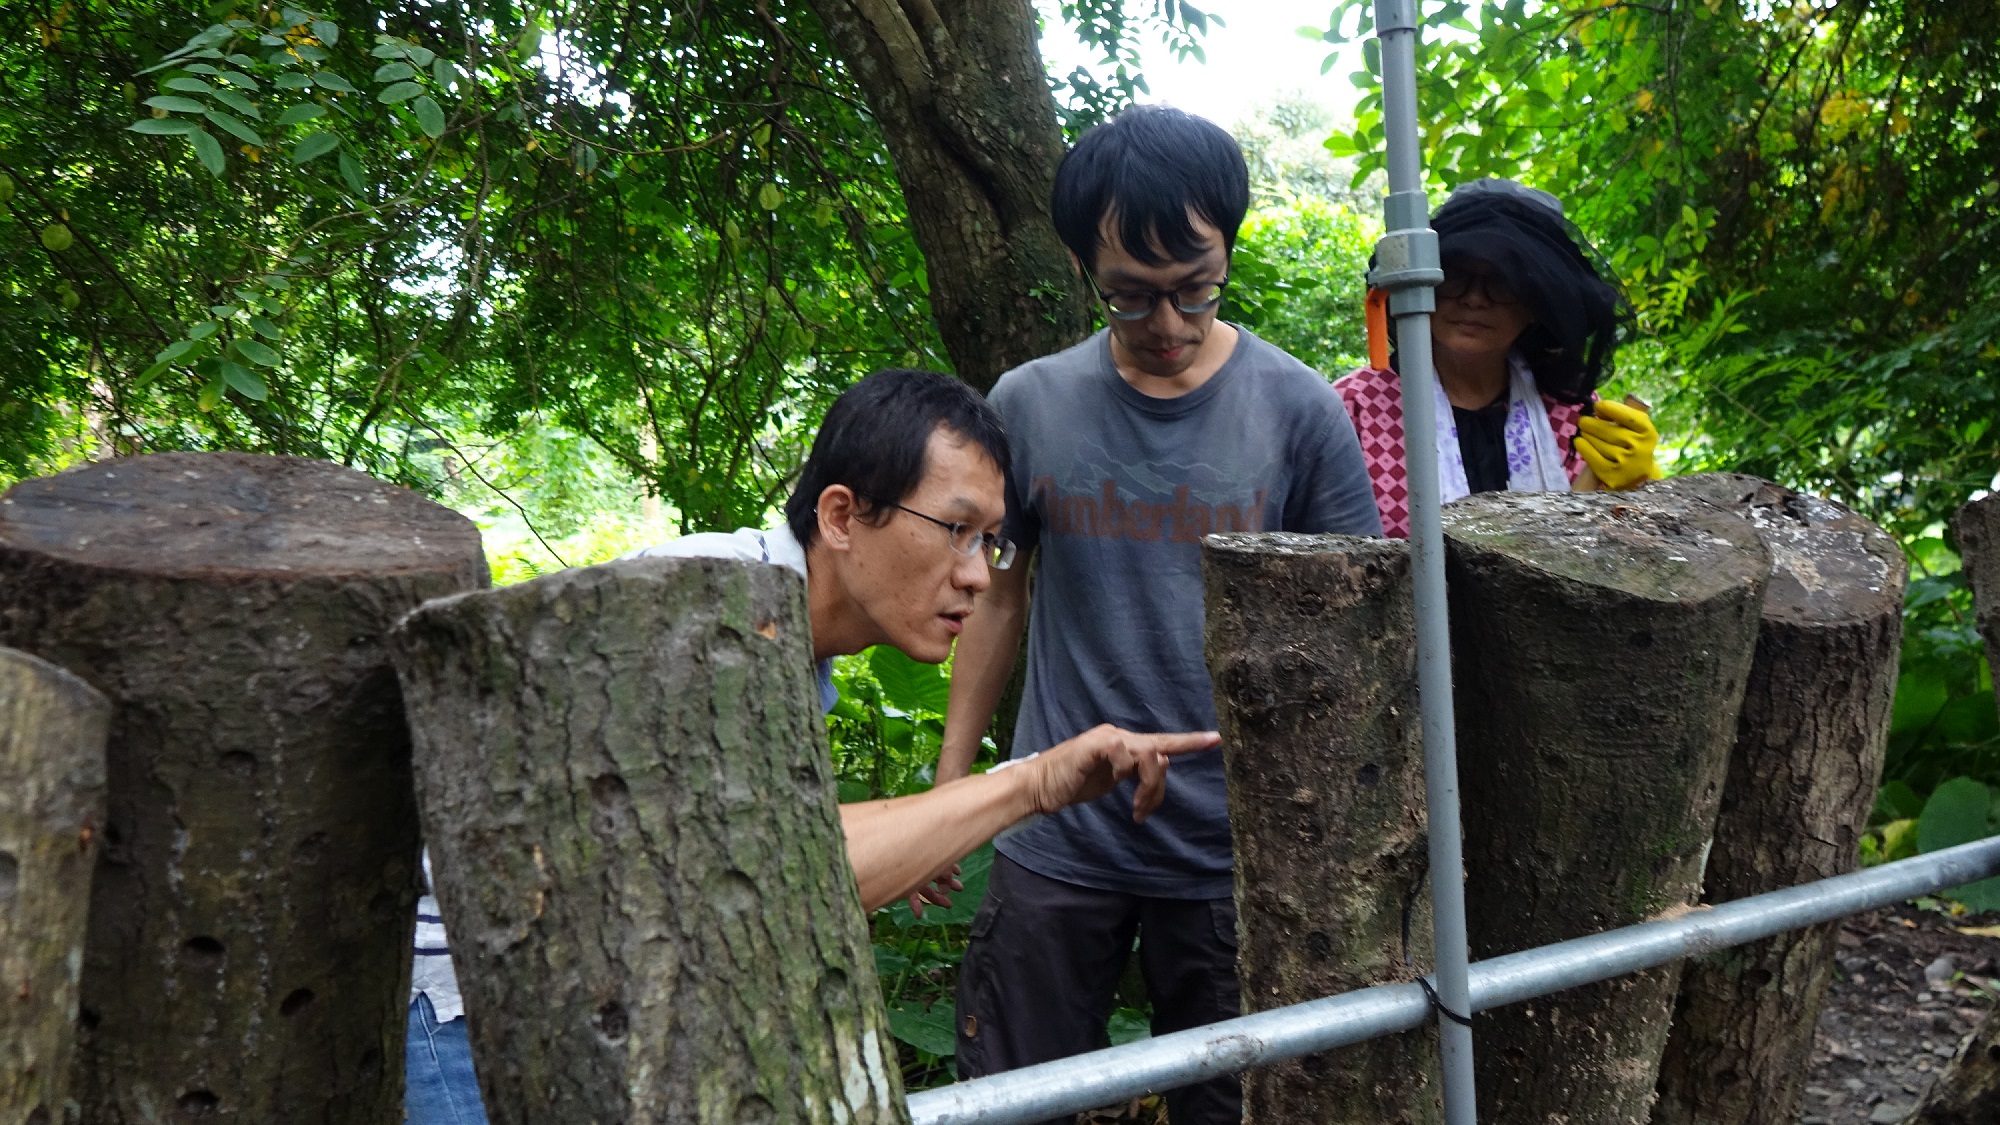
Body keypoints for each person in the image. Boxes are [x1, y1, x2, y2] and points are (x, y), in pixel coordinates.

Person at [405, 368, 1218, 1124]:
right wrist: (1029, 783)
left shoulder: (789, 646)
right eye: (956, 529)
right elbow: (764, 872)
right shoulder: (699, 606)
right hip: (463, 994)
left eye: (990, 540)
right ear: (839, 516)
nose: (978, 573)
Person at [938, 105, 1381, 1124]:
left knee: (1236, 1106)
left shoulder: (1297, 410)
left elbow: (1358, 623)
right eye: (1130, 296)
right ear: (1083, 269)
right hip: (1055, 833)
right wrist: (955, 788)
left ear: (1226, 252)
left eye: (1196, 288)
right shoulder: (1029, 403)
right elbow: (998, 596)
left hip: (1237, 849)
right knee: (1012, 1101)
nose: (1169, 324)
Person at [1335, 178, 1663, 537]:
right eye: (1455, 276)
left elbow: (1614, 545)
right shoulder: (1352, 409)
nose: (1475, 299)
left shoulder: (1572, 413)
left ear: (1535, 305)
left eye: (1503, 281)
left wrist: (1638, 488)